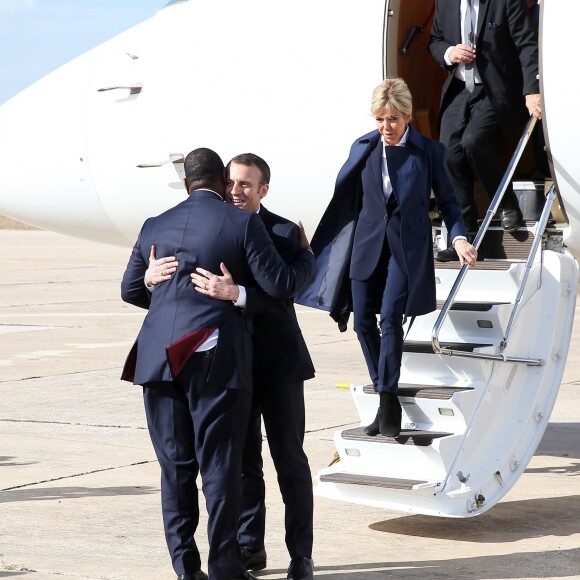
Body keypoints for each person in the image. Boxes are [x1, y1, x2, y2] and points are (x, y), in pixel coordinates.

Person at [120, 148, 315, 580]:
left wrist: (298, 260)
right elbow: (142, 287)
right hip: (225, 364)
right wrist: (151, 280)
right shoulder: (225, 223)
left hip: (274, 364)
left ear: (263, 189)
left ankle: (300, 556)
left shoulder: (281, 231)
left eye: (246, 184)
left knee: (288, 461)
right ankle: (246, 552)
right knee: (237, 464)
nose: (237, 189)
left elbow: (285, 287)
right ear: (220, 182)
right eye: (232, 182)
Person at [296, 78, 476, 437]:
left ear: (407, 115)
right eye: (379, 119)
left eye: (392, 119)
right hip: (366, 245)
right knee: (362, 319)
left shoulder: (428, 152)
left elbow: (449, 202)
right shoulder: (362, 147)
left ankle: (388, 399)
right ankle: (383, 391)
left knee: (390, 317)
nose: (385, 127)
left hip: (405, 250)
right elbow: (347, 203)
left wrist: (458, 236)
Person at [429, 0, 542, 261]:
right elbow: (434, 41)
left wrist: (531, 90)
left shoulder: (505, 2)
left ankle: (506, 203)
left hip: (496, 89)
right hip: (459, 88)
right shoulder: (444, 3)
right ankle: (462, 236)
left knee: (474, 141)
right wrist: (449, 53)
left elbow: (527, 45)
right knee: (448, 153)